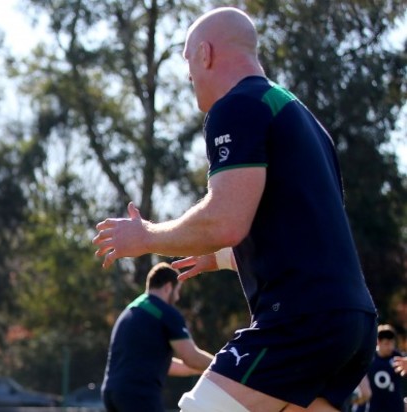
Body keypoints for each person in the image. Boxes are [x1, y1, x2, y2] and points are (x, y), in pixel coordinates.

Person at [92, 6, 377, 412]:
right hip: (353, 321)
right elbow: (303, 229)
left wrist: (145, 237)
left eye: (189, 63)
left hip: (299, 321)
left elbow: (226, 219)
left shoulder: (237, 106)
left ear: (205, 53)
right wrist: (226, 258)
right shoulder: (304, 118)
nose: (190, 78)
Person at [101, 262, 213, 412]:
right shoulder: (166, 313)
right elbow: (191, 356)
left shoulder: (131, 310)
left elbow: (165, 364)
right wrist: (221, 366)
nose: (178, 297)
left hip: (112, 393)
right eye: (177, 290)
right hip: (138, 396)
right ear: (168, 287)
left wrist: (200, 369)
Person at [353, 324, 405, 412]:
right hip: (374, 407)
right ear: (378, 342)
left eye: (392, 343)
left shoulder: (398, 358)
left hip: (395, 408)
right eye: (386, 344)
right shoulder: (368, 358)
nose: (390, 347)